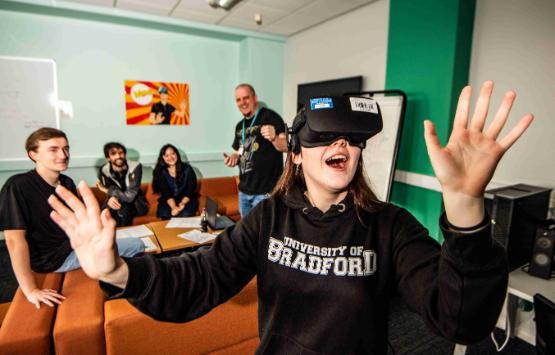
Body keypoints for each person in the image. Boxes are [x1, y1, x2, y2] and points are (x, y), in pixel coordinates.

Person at [49, 81, 533, 353]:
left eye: (351, 139)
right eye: (325, 137)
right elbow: (197, 282)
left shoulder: (391, 226)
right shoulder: (269, 219)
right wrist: (117, 271)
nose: (340, 145)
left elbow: (461, 321)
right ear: (297, 155)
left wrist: (467, 207)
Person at [0, 128, 144, 309]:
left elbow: (78, 222)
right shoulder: (17, 186)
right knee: (137, 245)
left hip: (74, 244)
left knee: (120, 242)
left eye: (66, 148)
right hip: (55, 258)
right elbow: (14, 241)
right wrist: (30, 290)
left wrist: (104, 212)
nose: (63, 154)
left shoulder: (66, 182)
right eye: (53, 149)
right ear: (33, 154)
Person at [224, 83, 288, 217]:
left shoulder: (271, 117)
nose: (242, 102)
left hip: (266, 191)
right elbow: (238, 151)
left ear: (255, 98)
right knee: (247, 234)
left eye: (246, 98)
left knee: (264, 233)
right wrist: (233, 158)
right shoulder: (239, 126)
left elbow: (286, 146)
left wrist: (274, 137)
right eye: (238, 99)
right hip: (244, 191)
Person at [96, 142, 148, 226]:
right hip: (117, 200)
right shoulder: (104, 170)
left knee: (124, 210)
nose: (118, 156)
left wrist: (106, 190)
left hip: (135, 203)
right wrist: (111, 199)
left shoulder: (135, 167)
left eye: (121, 153)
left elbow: (129, 196)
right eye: (113, 154)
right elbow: (111, 191)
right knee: (104, 212)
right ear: (108, 158)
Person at [151, 144, 198, 219]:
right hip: (168, 201)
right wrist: (174, 207)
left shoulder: (187, 168)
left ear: (177, 154)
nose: (170, 157)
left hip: (186, 200)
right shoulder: (160, 172)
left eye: (173, 154)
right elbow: (166, 193)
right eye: (167, 155)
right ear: (163, 158)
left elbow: (191, 189)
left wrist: (182, 204)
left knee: (185, 214)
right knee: (166, 215)